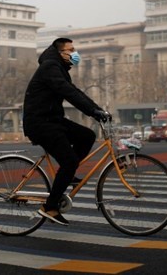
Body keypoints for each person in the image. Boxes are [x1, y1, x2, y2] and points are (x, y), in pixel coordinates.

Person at [22, 37, 109, 227]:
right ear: (61, 52)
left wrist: (97, 109)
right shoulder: (50, 67)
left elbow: (73, 91)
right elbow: (69, 92)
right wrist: (93, 112)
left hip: (52, 120)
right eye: (71, 50)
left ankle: (66, 174)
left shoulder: (58, 68)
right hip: (40, 123)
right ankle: (50, 207)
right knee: (69, 161)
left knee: (87, 136)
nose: (75, 54)